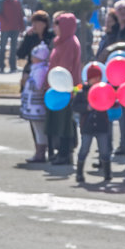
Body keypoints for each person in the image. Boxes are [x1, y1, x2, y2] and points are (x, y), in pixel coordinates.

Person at [44, 11, 81, 165]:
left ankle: (65, 153)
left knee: (65, 123)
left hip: (64, 89)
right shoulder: (62, 41)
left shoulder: (69, 43)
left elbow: (64, 68)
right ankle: (61, 152)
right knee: (60, 122)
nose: (54, 27)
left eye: (57, 24)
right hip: (58, 88)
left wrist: (58, 85)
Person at [72, 63, 112, 183]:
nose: (96, 80)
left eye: (98, 78)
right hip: (87, 126)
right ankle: (79, 173)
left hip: (102, 125)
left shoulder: (104, 89)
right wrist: (86, 107)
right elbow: (75, 106)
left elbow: (111, 103)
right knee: (84, 149)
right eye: (94, 78)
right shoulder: (81, 90)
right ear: (88, 79)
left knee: (105, 150)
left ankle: (107, 173)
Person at [20, 41, 50, 162]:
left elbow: (37, 86)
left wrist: (27, 81)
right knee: (37, 129)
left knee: (39, 130)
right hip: (32, 105)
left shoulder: (40, 70)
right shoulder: (36, 68)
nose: (32, 58)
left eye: (34, 56)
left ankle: (40, 153)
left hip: (36, 106)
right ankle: (39, 151)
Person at [0, 0, 25, 74]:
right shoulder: (2, 1)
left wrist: (22, 27)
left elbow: (20, 15)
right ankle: (1, 66)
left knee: (13, 48)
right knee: (3, 48)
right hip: (5, 28)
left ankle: (13, 66)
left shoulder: (17, 1)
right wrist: (5, 22)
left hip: (15, 28)